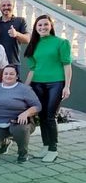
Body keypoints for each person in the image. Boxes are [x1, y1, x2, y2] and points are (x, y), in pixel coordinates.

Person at [24, 14, 72, 163]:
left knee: (50, 116)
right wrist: (25, 88)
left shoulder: (61, 42)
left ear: (51, 26)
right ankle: (45, 146)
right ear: (35, 28)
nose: (43, 27)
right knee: (42, 116)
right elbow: (32, 69)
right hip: (37, 84)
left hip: (56, 83)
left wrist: (67, 86)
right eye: (39, 25)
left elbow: (67, 65)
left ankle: (53, 149)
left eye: (45, 24)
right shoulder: (33, 44)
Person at [0, 65, 41, 163]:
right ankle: (5, 142)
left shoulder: (25, 89)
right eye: (6, 74)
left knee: (20, 129)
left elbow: (37, 106)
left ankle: (23, 153)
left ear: (17, 76)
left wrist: (26, 113)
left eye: (11, 74)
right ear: (2, 76)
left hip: (18, 122)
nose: (8, 76)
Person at [0, 0, 30, 70]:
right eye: (3, 5)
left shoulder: (20, 21)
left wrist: (16, 34)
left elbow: (27, 39)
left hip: (14, 63)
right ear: (0, 7)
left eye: (9, 5)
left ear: (13, 6)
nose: (6, 7)